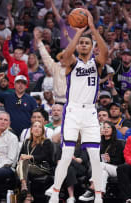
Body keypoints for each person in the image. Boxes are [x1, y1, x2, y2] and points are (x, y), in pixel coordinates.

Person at [48, 10, 108, 203]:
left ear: (91, 47)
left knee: (95, 156)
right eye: (81, 43)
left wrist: (92, 29)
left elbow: (105, 52)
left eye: (86, 43)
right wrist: (79, 33)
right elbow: (65, 55)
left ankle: (98, 196)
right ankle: (55, 193)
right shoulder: (72, 63)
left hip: (90, 111)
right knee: (66, 155)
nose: (83, 44)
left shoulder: (96, 64)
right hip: (72, 111)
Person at [79, 121, 125, 201]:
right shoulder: (99, 143)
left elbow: (121, 160)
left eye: (108, 127)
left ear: (113, 130)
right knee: (103, 172)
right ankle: (99, 196)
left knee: (100, 165)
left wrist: (111, 160)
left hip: (116, 168)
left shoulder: (119, 143)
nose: (106, 129)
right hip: (102, 168)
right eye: (104, 127)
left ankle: (92, 187)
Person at [17, 121, 54, 202]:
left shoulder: (46, 142)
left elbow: (45, 156)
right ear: (31, 130)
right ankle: (28, 194)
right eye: (35, 126)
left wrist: (30, 157)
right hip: (27, 167)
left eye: (40, 127)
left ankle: (25, 188)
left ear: (42, 131)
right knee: (23, 163)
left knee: (24, 163)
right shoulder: (26, 142)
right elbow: (20, 156)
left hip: (41, 167)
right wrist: (23, 158)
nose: (37, 128)